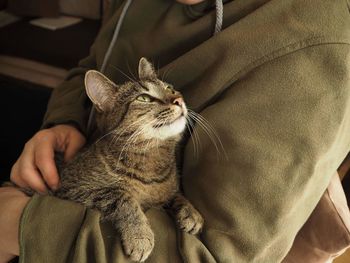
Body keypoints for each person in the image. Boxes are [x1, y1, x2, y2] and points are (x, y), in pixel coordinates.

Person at [1, 0, 350, 262]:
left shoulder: (317, 45)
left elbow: (208, 255)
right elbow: (93, 66)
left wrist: (22, 225)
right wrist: (64, 119)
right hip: (78, 166)